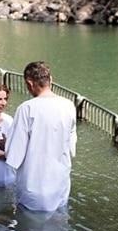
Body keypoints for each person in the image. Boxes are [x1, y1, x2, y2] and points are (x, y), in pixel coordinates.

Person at [5, 61, 77, 212]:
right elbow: (71, 147)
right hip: (60, 184)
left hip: (34, 186)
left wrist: (5, 145)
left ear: (29, 83)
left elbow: (15, 154)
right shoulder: (69, 105)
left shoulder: (26, 108)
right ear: (51, 79)